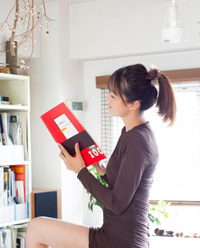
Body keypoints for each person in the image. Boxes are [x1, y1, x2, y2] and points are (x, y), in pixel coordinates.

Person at [26, 63, 176, 248]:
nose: (108, 98)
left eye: (113, 95)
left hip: (122, 240)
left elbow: (117, 203)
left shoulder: (138, 141)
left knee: (36, 228)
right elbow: (125, 187)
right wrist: (103, 172)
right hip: (115, 233)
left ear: (133, 104)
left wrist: (81, 171)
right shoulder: (131, 133)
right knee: (36, 228)